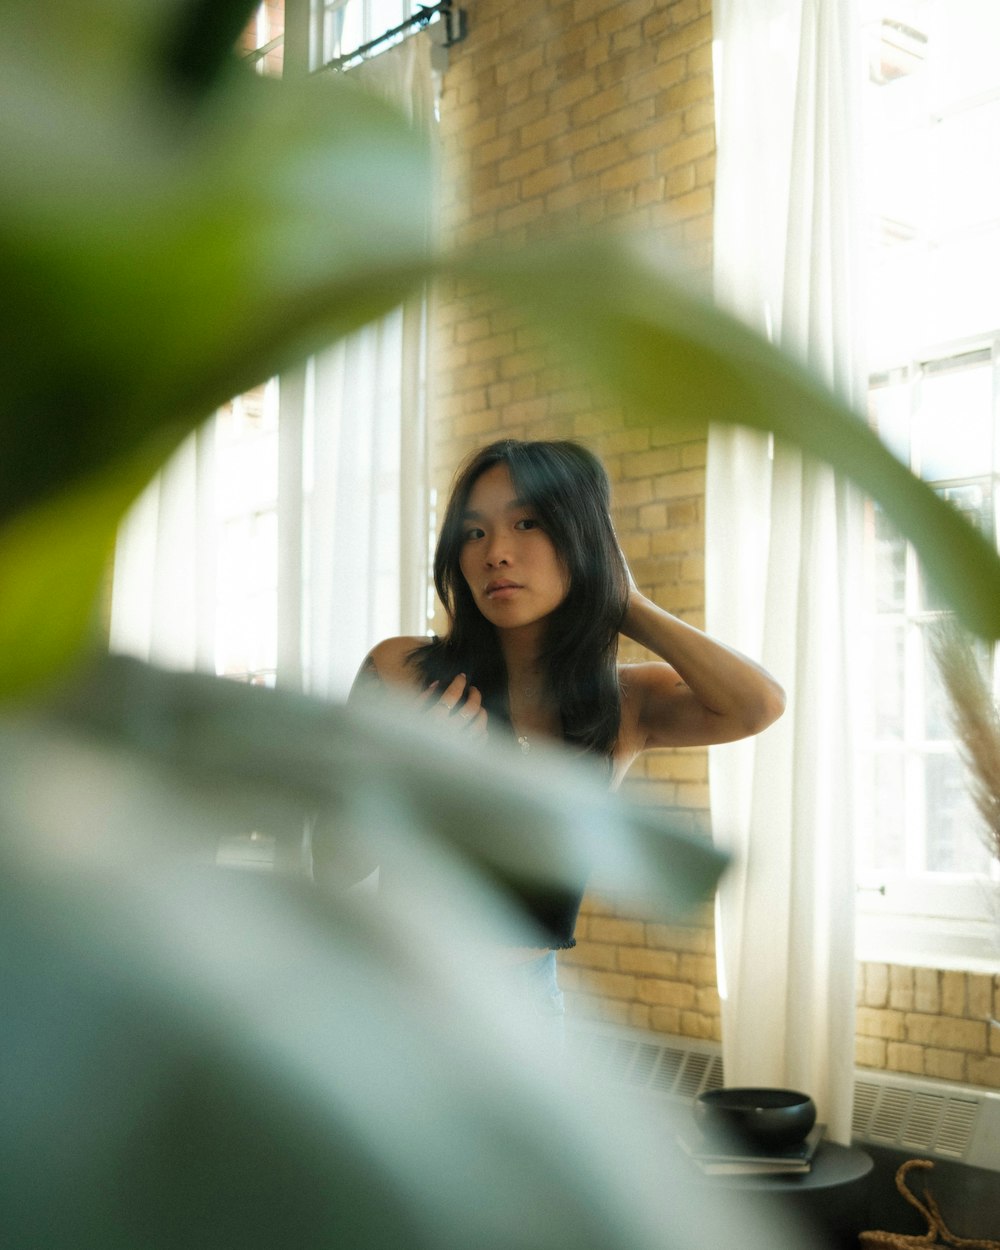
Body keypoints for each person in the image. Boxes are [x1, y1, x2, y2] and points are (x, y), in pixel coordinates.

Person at [345, 438, 785, 1022]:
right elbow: (332, 862)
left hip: (528, 1012)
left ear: (580, 538)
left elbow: (758, 705)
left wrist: (624, 599)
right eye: (474, 532)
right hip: (391, 1002)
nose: (496, 552)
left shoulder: (625, 702)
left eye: (527, 523)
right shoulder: (400, 670)